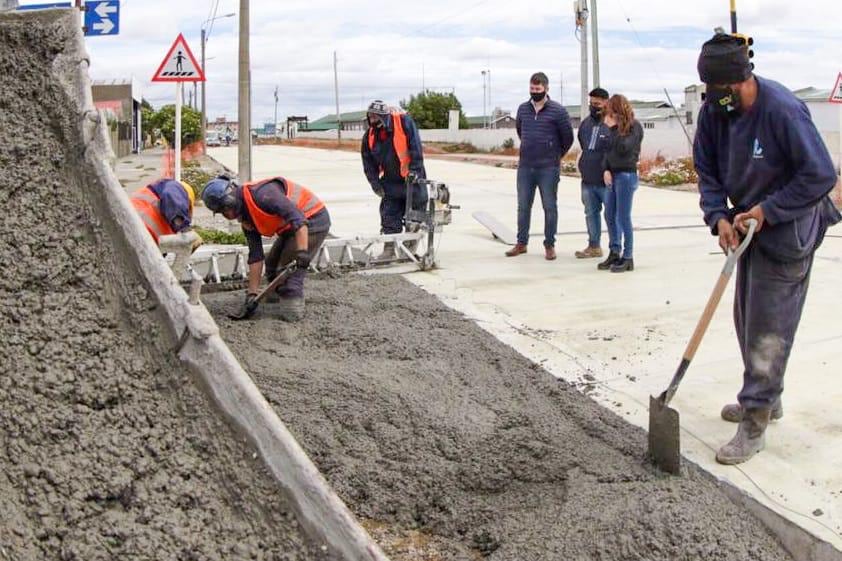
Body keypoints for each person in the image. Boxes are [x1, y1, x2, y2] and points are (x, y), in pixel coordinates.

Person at [694, 33, 840, 465]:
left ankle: (755, 421)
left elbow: (819, 177)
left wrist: (768, 210)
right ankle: (766, 396)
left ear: (740, 81)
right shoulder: (715, 113)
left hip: (788, 230)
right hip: (744, 227)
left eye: (718, 92)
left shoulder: (783, 111)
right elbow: (705, 168)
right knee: (745, 320)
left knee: (769, 328)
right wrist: (717, 216)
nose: (711, 101)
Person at [201, 174, 331, 322]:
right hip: (290, 228)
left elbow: (298, 220)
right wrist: (252, 294)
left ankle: (292, 309)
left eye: (224, 211)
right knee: (271, 264)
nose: (226, 216)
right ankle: (274, 302)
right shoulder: (246, 219)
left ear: (229, 203)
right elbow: (256, 256)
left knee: (287, 267)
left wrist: (301, 252)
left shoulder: (264, 195)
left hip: (313, 219)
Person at [508, 72, 574, 260]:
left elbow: (567, 138)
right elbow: (521, 131)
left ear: (546, 88)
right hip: (526, 167)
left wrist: (555, 154)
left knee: (550, 207)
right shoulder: (522, 109)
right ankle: (521, 243)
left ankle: (549, 245)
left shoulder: (558, 111)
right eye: (531, 89)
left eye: (538, 89)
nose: (534, 92)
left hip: (548, 168)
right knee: (523, 207)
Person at [361, 99, 427, 260]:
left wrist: (415, 171)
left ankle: (408, 250)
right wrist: (375, 184)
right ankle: (389, 250)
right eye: (371, 117)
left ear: (385, 116)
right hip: (390, 183)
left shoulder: (404, 122)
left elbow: (415, 147)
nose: (373, 120)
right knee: (389, 215)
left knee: (415, 216)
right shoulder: (369, 136)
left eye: (376, 117)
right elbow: (368, 163)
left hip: (412, 180)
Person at [598, 94, 643, 273]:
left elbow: (624, 148)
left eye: (611, 111)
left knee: (623, 216)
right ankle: (614, 251)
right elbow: (606, 151)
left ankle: (628, 256)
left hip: (626, 175)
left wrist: (613, 129)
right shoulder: (612, 129)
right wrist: (605, 169)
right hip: (613, 175)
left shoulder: (634, 127)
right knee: (609, 214)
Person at [575, 87, 611, 259]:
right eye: (591, 103)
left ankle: (616, 249)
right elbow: (583, 144)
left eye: (597, 104)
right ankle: (594, 246)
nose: (593, 107)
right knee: (590, 213)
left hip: (607, 181)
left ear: (606, 103)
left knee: (612, 215)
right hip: (588, 179)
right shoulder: (586, 124)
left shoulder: (612, 123)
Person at [130, 178, 197, 244]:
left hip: (135, 235)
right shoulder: (175, 187)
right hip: (135, 229)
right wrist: (186, 230)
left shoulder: (168, 217)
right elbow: (171, 196)